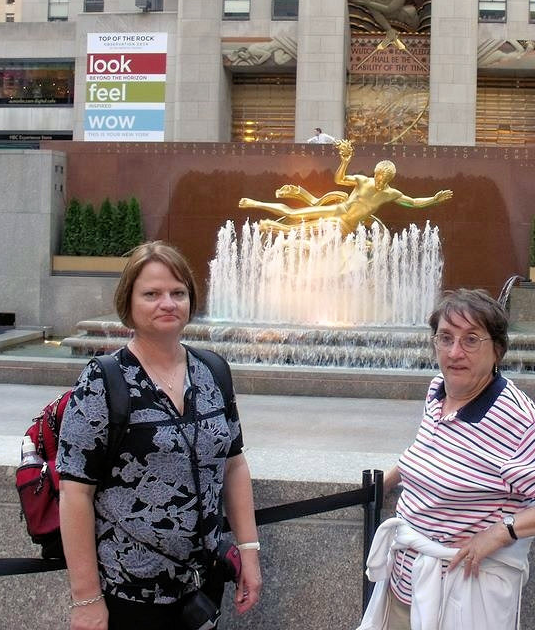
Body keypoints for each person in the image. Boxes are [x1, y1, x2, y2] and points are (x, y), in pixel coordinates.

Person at [358, 289, 535, 630]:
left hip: (460, 597)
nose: (455, 352)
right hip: (405, 588)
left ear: (497, 351)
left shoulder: (515, 418)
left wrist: (502, 533)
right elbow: (431, 449)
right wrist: (388, 480)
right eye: (446, 338)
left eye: (471, 340)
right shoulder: (439, 391)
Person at [57, 241, 261, 630]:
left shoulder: (213, 371)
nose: (167, 303)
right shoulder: (103, 380)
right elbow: (75, 492)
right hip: (129, 593)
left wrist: (248, 552)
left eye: (178, 293)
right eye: (151, 294)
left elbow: (234, 464)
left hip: (203, 583)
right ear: (128, 303)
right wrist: (86, 599)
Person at [239, 139, 452, 236]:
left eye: (382, 179)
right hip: (337, 211)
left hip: (347, 226)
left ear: (389, 179)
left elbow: (412, 202)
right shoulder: (362, 180)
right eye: (377, 176)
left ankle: (274, 228)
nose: (378, 181)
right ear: (375, 173)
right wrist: (345, 161)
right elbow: (340, 179)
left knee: (306, 233)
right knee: (295, 214)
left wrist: (434, 199)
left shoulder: (390, 194)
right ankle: (255, 203)